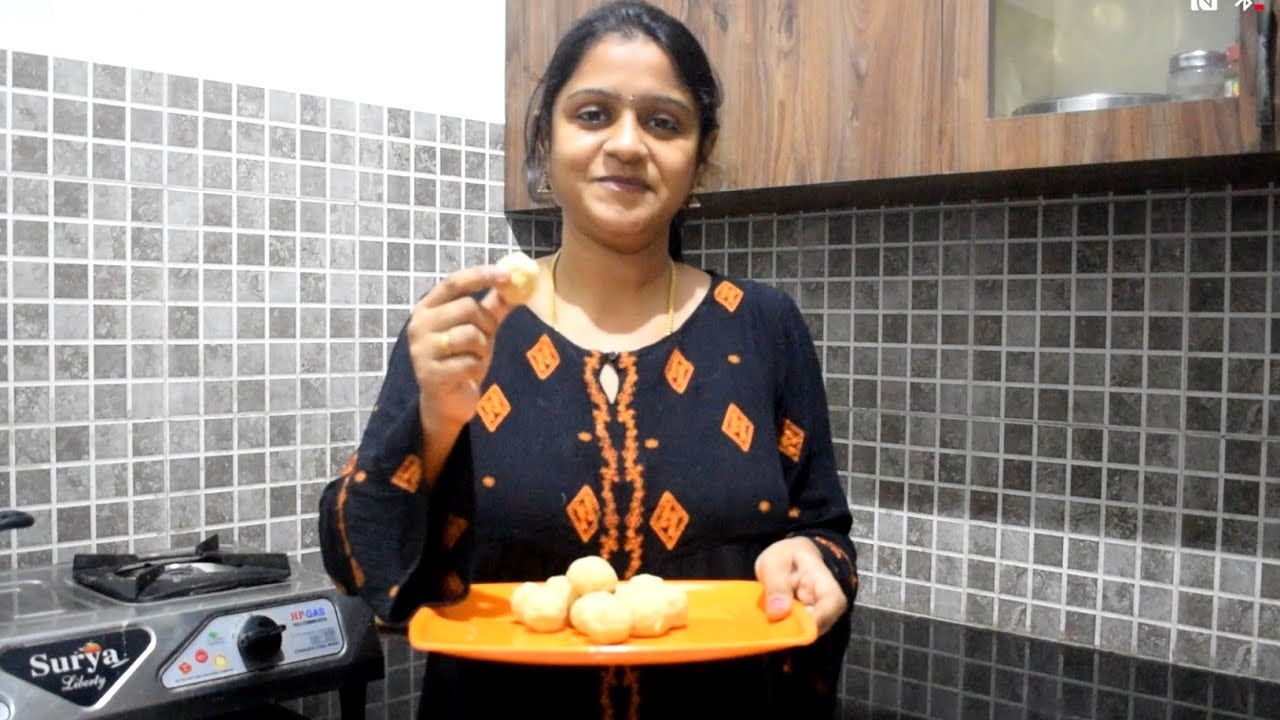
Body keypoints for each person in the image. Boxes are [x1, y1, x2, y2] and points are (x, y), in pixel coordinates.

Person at [318, 2, 858, 717]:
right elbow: (362, 565)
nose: (627, 143)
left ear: (700, 155)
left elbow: (824, 530)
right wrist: (435, 423)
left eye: (663, 122)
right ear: (547, 139)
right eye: (593, 114)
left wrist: (815, 561)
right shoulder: (469, 325)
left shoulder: (765, 326)